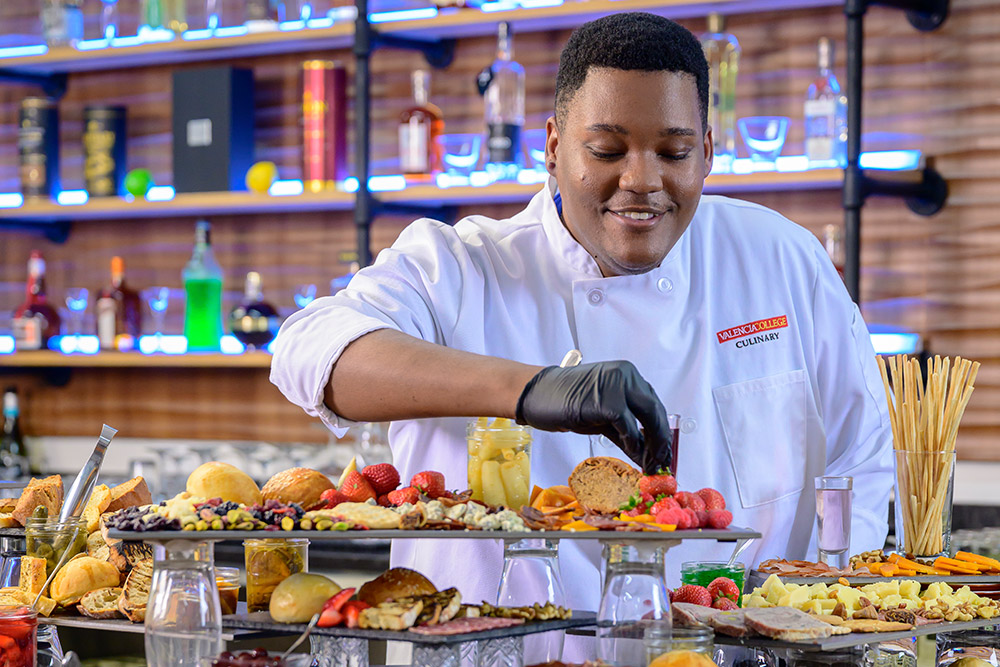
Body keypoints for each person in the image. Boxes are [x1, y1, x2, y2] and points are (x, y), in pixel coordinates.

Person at [271, 12, 893, 612]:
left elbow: (862, 458)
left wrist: (820, 616)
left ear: (706, 151)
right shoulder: (461, 265)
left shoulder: (780, 256)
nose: (641, 179)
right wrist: (530, 389)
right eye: (605, 150)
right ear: (552, 146)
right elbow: (310, 350)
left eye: (674, 153)